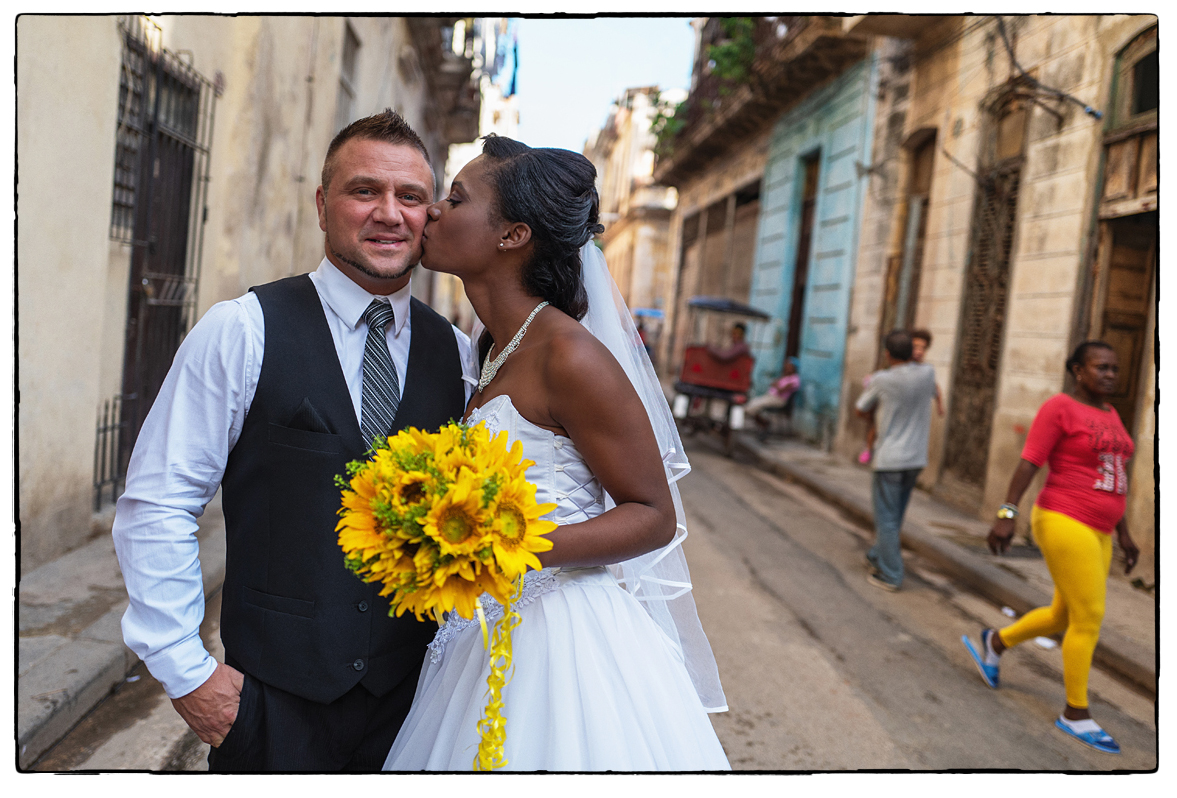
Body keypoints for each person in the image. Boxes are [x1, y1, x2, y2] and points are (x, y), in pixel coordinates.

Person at [112, 110, 478, 772]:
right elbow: (159, 503)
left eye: (410, 197)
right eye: (364, 190)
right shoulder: (242, 330)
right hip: (272, 712)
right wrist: (187, 672)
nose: (388, 214)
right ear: (322, 205)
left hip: (415, 711)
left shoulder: (456, 355)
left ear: (429, 215)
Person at [384, 135, 729, 771]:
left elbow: (654, 513)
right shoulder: (492, 349)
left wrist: (509, 545)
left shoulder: (569, 355)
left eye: (455, 198)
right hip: (480, 628)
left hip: (561, 635)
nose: (431, 209)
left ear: (512, 235)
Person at [962, 341, 1139, 755]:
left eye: (1115, 368)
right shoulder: (1059, 407)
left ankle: (995, 643)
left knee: (1064, 613)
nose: (1111, 374)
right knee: (1090, 615)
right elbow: (1030, 461)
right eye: (1101, 367)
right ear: (1078, 371)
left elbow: (1115, 477)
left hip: (1101, 528)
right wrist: (1007, 513)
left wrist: (1124, 532)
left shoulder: (1112, 414)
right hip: (1063, 517)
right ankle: (1075, 713)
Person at [854, 330, 937, 592]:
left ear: (887, 354)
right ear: (912, 352)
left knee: (886, 518)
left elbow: (860, 408)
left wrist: (876, 416)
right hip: (915, 458)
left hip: (890, 457)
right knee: (896, 514)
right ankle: (877, 556)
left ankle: (890, 574)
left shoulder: (882, 379)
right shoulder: (928, 373)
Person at [860, 327, 942, 464]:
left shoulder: (925, 370)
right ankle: (868, 448)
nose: (919, 351)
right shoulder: (900, 362)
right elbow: (887, 375)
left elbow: (934, 386)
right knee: (878, 425)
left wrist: (940, 404)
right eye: (916, 347)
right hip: (892, 401)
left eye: (923, 348)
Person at [747, 356, 800, 429]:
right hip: (771, 396)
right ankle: (762, 422)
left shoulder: (794, 379)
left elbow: (781, 390)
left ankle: (764, 423)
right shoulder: (786, 376)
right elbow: (775, 384)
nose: (786, 367)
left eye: (789, 365)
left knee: (755, 406)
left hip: (779, 400)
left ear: (793, 367)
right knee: (753, 403)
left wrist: (776, 385)